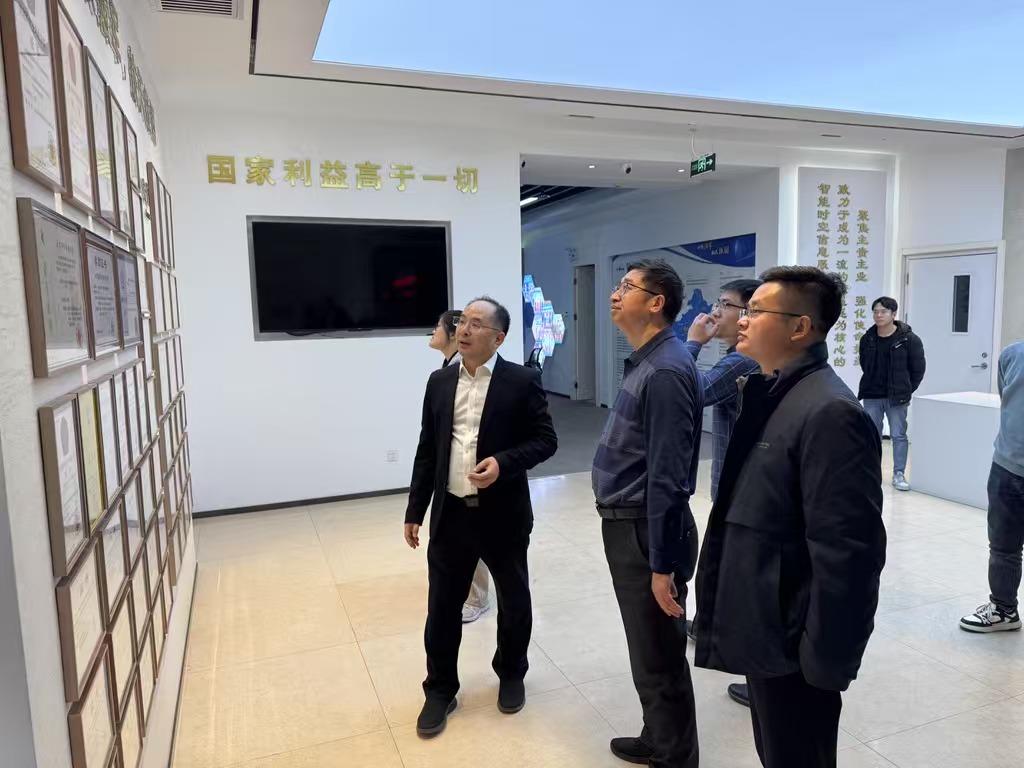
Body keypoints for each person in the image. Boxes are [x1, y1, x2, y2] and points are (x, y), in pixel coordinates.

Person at [694, 267, 886, 768]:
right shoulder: (774, 391)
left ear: (800, 327)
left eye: (756, 311)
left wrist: (823, 661)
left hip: (795, 644)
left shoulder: (829, 412)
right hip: (767, 627)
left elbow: (848, 552)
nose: (742, 320)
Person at [405, 297, 557, 738]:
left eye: (476, 323)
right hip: (451, 513)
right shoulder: (439, 382)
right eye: (461, 322)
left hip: (502, 514)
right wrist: (415, 510)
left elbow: (545, 440)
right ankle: (440, 689)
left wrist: (504, 463)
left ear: (499, 337)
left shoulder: (522, 381)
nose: (464, 330)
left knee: (514, 601)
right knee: (442, 607)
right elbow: (428, 450)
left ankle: (511, 674)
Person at [593, 259, 702, 768]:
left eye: (627, 286)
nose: (615, 294)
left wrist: (662, 564)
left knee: (659, 655)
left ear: (656, 303)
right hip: (633, 527)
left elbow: (668, 478)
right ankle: (659, 736)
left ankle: (675, 756)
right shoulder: (650, 361)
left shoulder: (665, 372)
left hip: (645, 532)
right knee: (649, 648)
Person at [683, 278, 763, 709]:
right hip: (737, 486)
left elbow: (691, 394)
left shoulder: (742, 360)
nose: (716, 312)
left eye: (726, 304)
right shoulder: (741, 357)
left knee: (741, 575)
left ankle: (759, 673)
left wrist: (693, 343)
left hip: (741, 489)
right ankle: (709, 626)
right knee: (727, 566)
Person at [428, 309, 492, 623]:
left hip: (477, 478)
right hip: (452, 481)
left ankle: (477, 598)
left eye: (436, 327)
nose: (432, 331)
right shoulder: (446, 372)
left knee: (475, 537)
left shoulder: (470, 373)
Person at [959, 341, 1024, 633]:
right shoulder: (1012, 354)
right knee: (1003, 545)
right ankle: (1003, 609)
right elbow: (1006, 398)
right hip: (1007, 466)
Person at [857, 297, 926, 491]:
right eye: (875, 312)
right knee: (872, 435)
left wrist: (906, 389)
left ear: (893, 314)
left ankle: (899, 473)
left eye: (883, 312)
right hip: (872, 394)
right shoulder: (868, 338)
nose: (878, 315)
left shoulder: (909, 339)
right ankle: (872, 473)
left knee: (898, 435)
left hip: (897, 397)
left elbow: (918, 369)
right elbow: (864, 364)